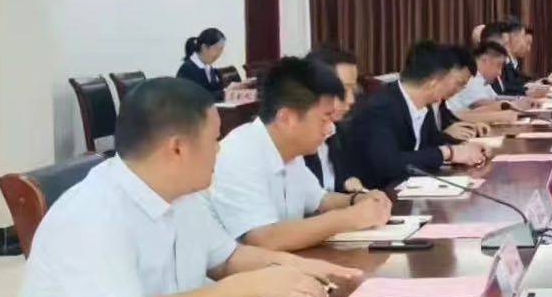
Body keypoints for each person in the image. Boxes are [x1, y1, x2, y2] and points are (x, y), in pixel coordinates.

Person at [3, 78, 361, 297]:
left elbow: (228, 259)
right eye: (214, 139)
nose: (220, 151)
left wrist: (303, 268)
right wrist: (248, 287)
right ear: (177, 148)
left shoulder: (184, 196)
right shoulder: (93, 213)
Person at [209, 57, 396, 252]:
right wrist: (349, 218)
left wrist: (357, 200)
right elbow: (264, 239)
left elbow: (319, 200)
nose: (330, 129)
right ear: (286, 118)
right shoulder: (240, 153)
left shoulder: (290, 152)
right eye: (324, 119)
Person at [345, 41, 490, 188]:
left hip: (413, 188)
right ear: (434, 82)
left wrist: (465, 146)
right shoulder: (379, 108)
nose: (456, 90)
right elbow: (389, 164)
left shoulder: (423, 105)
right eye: (454, 83)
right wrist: (448, 153)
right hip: (381, 194)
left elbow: (433, 138)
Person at [303, 45, 365, 193]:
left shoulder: (339, 131)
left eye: (352, 89)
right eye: (343, 90)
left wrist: (349, 183)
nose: (351, 100)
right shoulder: (294, 142)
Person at [442, 41, 523, 134]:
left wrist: (509, 104)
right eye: (498, 65)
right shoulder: (472, 79)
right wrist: (500, 113)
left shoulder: (481, 80)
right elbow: (458, 115)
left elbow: (457, 115)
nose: (499, 73)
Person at [175, 27, 232, 101]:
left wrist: (231, 89)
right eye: (216, 49)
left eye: (221, 49)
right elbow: (197, 98)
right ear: (204, 47)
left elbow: (214, 91)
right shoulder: (187, 69)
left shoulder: (209, 68)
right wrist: (224, 93)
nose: (219, 54)